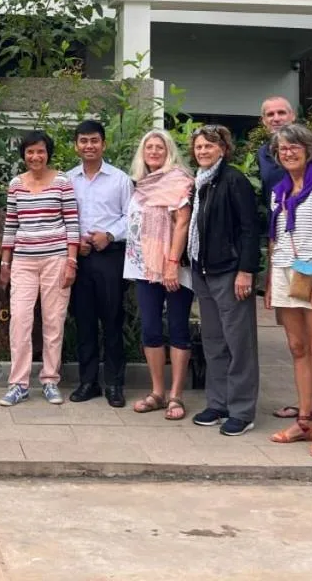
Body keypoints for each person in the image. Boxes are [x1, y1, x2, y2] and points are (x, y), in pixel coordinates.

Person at [256, 96, 312, 423]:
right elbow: (275, 228)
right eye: (270, 114)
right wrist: (269, 276)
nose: (288, 152)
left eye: (282, 112)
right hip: (285, 265)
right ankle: (306, 414)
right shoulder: (276, 184)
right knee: (297, 345)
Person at [186, 125, 262, 437]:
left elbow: (249, 229)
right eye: (199, 147)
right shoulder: (198, 182)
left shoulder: (233, 180)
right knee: (213, 342)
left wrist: (246, 271)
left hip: (229, 272)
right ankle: (217, 404)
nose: (203, 151)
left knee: (239, 343)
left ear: (223, 149)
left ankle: (242, 411)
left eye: (209, 146)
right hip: (203, 270)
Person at [0, 130, 80, 407]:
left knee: (53, 321)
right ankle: (18, 384)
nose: (35, 156)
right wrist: (5, 262)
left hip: (56, 260)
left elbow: (72, 223)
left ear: (48, 154)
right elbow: (11, 224)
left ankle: (50, 380)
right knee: (20, 321)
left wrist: (71, 262)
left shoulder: (62, 182)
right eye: (30, 152)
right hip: (23, 261)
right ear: (24, 155)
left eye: (40, 151)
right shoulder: (16, 184)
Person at [123, 129, 194, 421]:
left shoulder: (179, 180)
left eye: (159, 147)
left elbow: (182, 221)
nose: (154, 151)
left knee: (178, 328)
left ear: (169, 152)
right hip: (144, 267)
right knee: (150, 328)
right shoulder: (139, 186)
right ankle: (157, 392)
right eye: (149, 147)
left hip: (173, 267)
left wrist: (171, 263)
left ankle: (176, 395)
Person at [66, 119, 134, 407]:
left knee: (112, 320)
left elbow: (131, 218)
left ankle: (115, 384)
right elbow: (62, 216)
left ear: (103, 144)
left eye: (94, 140)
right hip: (79, 258)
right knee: (84, 322)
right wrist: (73, 242)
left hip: (110, 256)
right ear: (76, 146)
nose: (89, 146)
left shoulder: (120, 179)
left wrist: (109, 235)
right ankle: (88, 382)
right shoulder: (67, 180)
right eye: (83, 141)